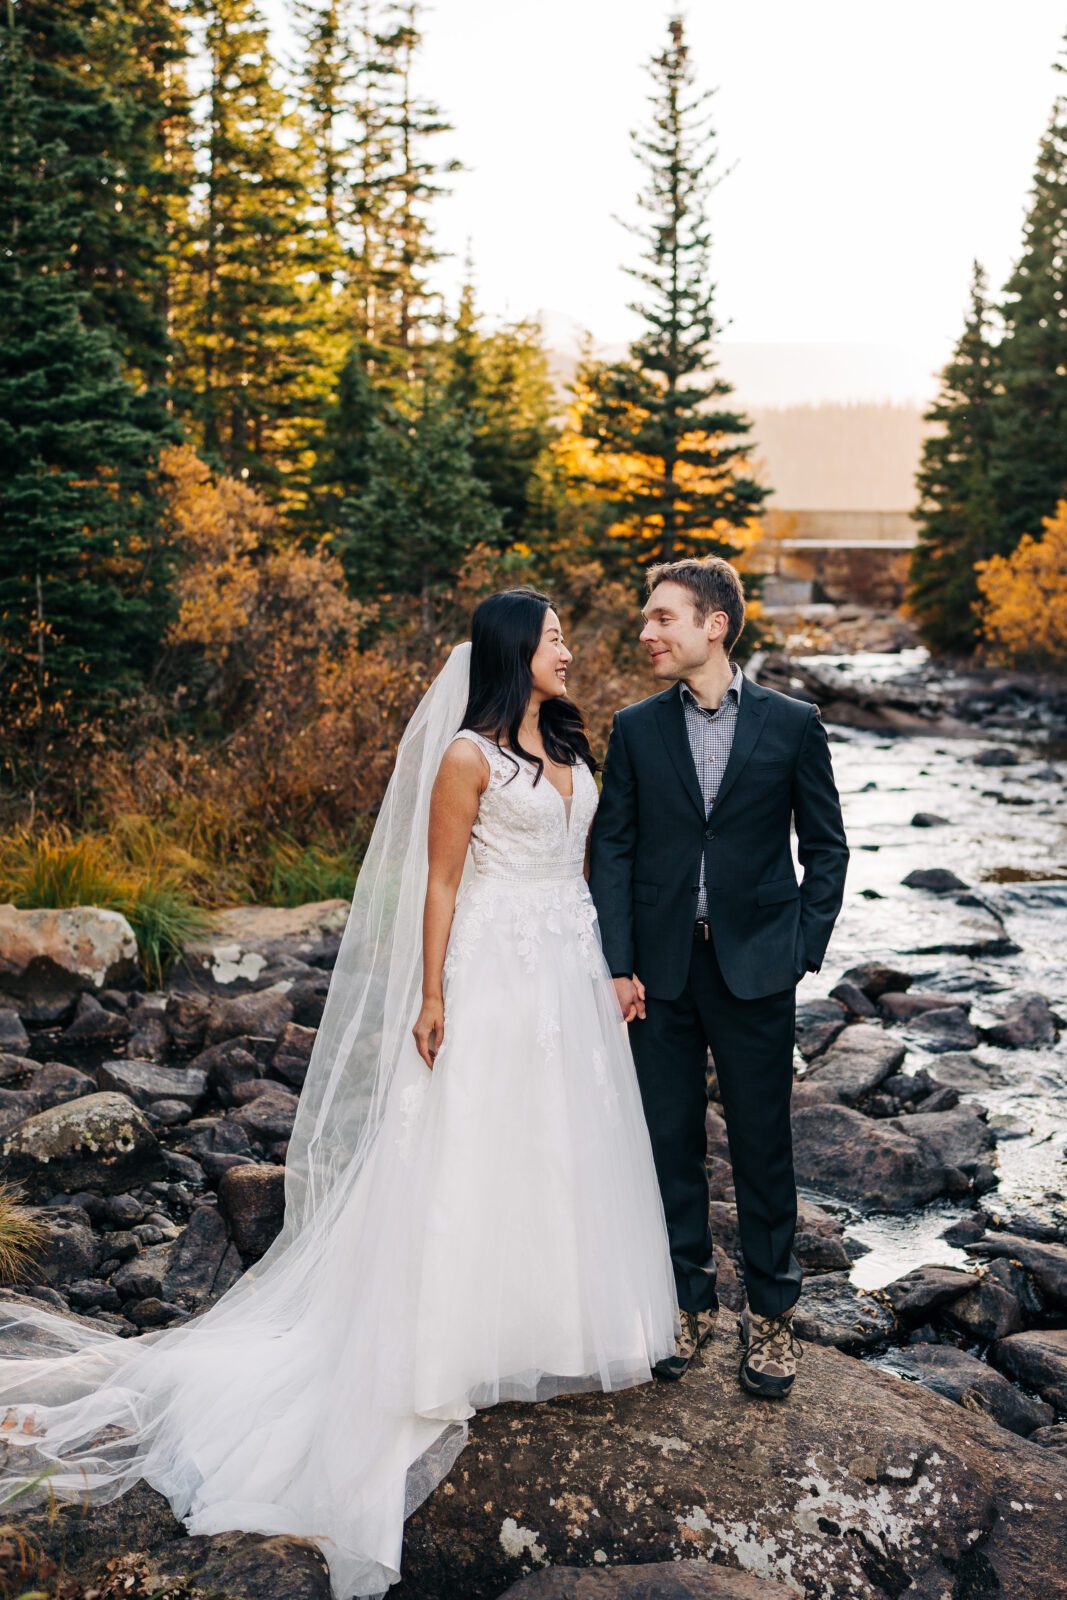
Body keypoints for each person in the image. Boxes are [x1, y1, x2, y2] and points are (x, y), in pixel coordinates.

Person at [0, 588, 678, 1600]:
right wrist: (435, 992)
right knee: (478, 1145)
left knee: (562, 1144)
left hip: (567, 967)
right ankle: (454, 1340)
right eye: (552, 639)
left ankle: (551, 1323)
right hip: (492, 970)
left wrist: (615, 965)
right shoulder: (465, 758)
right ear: (510, 652)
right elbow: (440, 884)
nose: (569, 651)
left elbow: (591, 870)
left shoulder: (575, 752)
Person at [589, 556, 849, 1397]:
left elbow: (826, 846)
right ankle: (687, 1302)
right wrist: (618, 962)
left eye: (662, 617)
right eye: (646, 618)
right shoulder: (632, 728)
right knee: (668, 1144)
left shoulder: (791, 722)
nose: (646, 633)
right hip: (658, 974)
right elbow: (614, 851)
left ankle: (771, 1318)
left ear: (714, 625)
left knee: (763, 1148)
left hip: (755, 968)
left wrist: (799, 946)